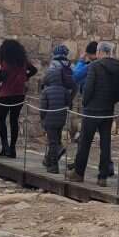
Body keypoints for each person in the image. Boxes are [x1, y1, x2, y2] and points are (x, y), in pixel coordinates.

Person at [69, 42, 119, 186]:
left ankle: (78, 173)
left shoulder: (95, 66)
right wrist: (110, 102)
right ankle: (102, 177)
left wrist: (86, 103)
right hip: (107, 111)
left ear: (100, 51)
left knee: (85, 142)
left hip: (92, 110)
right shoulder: (117, 68)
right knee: (105, 144)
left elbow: (88, 88)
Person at [0, 39, 38, 158]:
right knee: (14, 120)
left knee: (1, 119)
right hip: (19, 94)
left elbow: (2, 75)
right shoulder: (22, 61)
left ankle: (5, 147)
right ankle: (12, 149)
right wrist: (25, 77)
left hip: (6, 94)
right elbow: (34, 70)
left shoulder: (5, 61)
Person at [40, 45, 75, 174]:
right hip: (61, 113)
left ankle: (52, 165)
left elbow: (43, 107)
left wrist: (42, 118)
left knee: (52, 141)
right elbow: (74, 86)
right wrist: (69, 102)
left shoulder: (53, 67)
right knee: (56, 138)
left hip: (50, 117)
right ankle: (49, 159)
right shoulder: (68, 67)